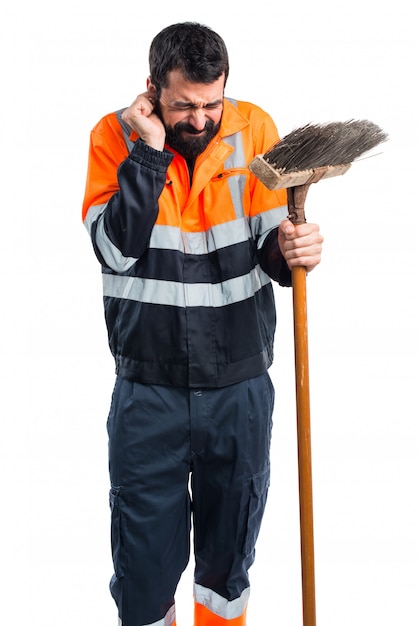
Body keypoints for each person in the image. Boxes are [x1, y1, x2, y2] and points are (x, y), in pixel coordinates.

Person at [82, 22, 323, 626]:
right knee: (142, 569)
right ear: (152, 92)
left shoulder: (256, 130)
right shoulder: (114, 137)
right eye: (183, 105)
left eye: (212, 103)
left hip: (238, 388)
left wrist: (292, 252)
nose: (200, 118)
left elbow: (269, 249)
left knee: (227, 565)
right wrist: (148, 149)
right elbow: (115, 249)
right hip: (149, 392)